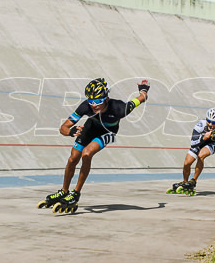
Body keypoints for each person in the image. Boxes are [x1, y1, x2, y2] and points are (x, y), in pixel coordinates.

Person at [39, 77, 150, 213]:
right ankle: (63, 191)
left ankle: (76, 193)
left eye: (98, 101)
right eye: (91, 101)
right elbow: (63, 128)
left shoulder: (120, 108)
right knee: (72, 159)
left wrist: (143, 90)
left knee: (87, 153)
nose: (94, 105)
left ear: (106, 99)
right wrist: (70, 131)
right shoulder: (85, 106)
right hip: (90, 127)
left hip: (108, 132)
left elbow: (141, 98)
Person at [169, 107, 215, 195]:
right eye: (209, 121)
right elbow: (193, 143)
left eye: (214, 122)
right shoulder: (200, 125)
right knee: (187, 163)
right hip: (199, 142)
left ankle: (193, 181)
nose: (211, 124)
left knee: (201, 155)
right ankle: (185, 182)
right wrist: (204, 137)